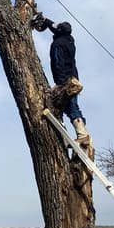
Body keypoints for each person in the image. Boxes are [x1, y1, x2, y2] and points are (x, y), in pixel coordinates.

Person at [32, 13, 90, 142]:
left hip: (65, 80)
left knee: (69, 107)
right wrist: (46, 20)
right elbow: (56, 27)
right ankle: (82, 133)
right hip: (73, 77)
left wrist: (60, 83)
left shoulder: (58, 44)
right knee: (71, 106)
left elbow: (58, 63)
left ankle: (82, 135)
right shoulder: (69, 39)